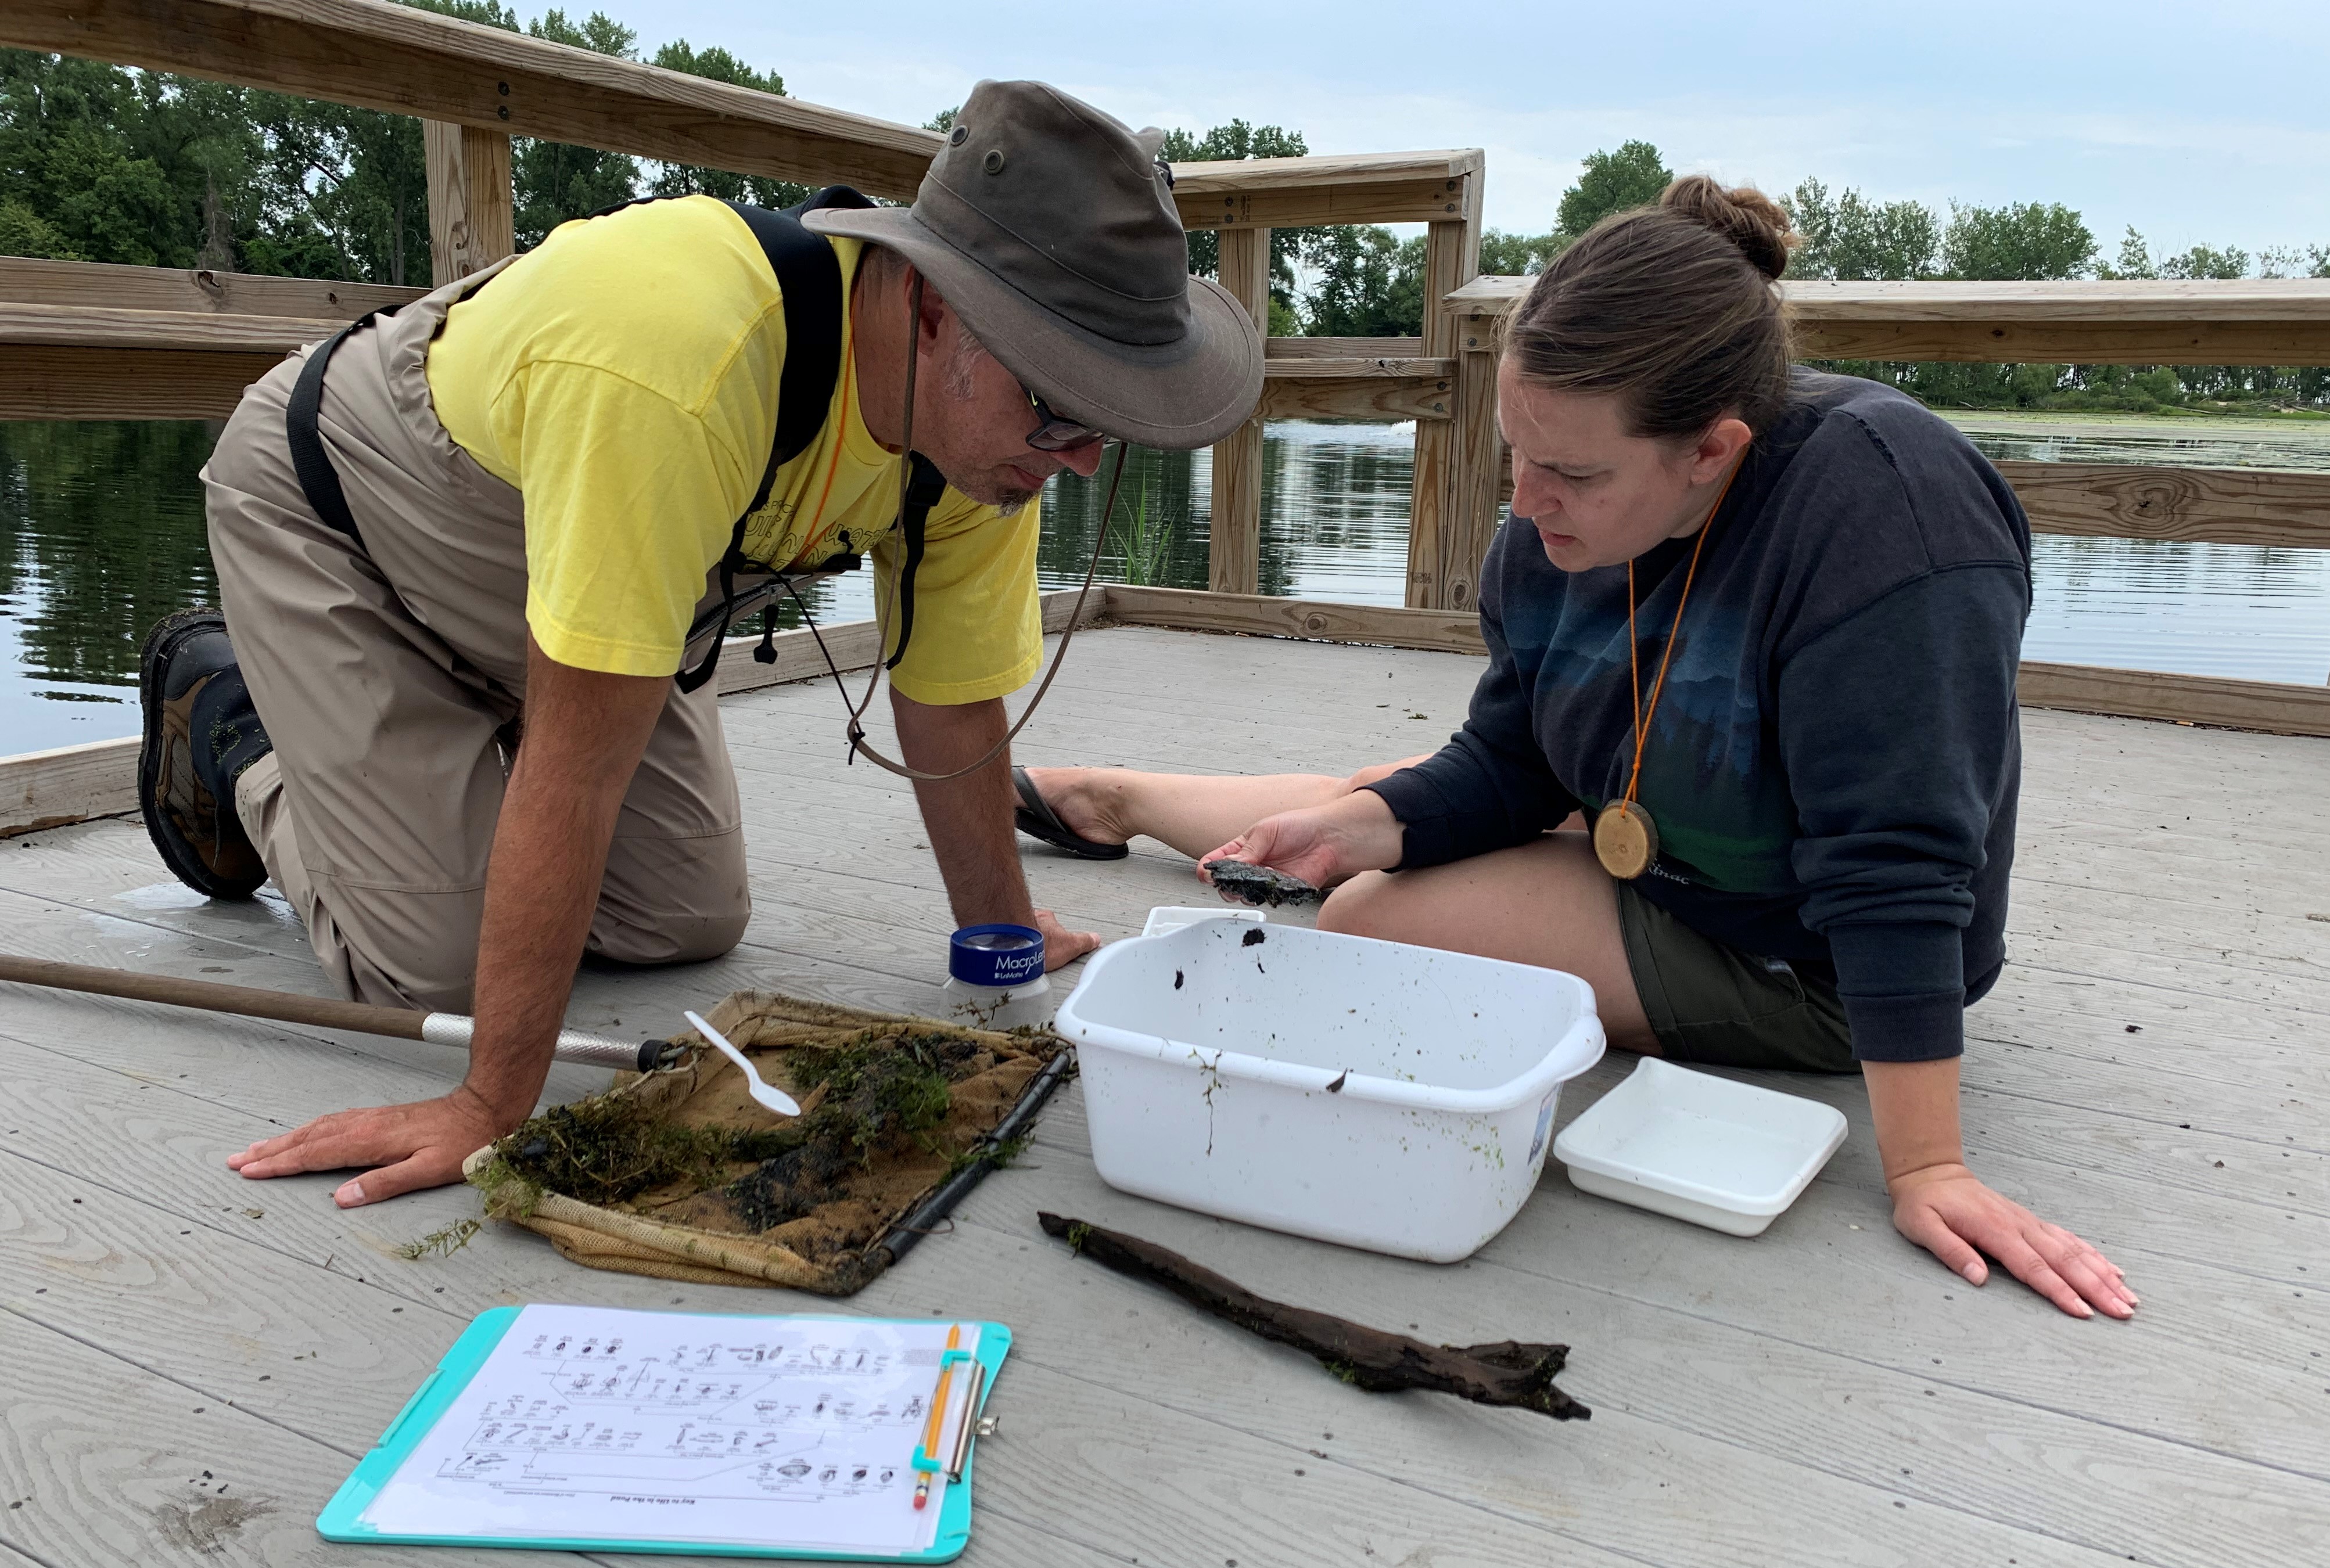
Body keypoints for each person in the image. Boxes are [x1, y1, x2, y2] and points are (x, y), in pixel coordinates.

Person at [1014, 177, 2132, 1322]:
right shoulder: (1550, 516)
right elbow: (1513, 764)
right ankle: (1126, 800)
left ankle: (1138, 801)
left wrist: (1928, 1168)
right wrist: (1361, 828)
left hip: (1805, 958)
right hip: (1647, 836)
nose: (1526, 502)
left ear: (1711, 450)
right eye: (1514, 451)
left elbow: (1896, 867)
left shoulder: (1888, 519)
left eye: (1575, 476)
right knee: (1362, 828)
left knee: (1365, 918)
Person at [136, 81, 1261, 1208]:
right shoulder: (685, 360)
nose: (1074, 458)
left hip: (569, 578)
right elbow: (578, 771)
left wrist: (1002, 939)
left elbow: (951, 704)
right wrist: (491, 1104)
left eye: (1105, 423)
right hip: (342, 519)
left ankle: (439, 748)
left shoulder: (983, 446)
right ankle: (231, 729)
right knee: (430, 965)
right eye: (1062, 407)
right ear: (930, 307)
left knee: (686, 918)